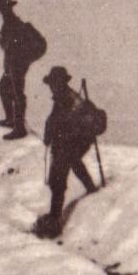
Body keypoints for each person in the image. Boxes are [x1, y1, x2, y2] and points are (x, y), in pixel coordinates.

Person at [35, 66, 99, 238]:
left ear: (60, 82)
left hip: (72, 142)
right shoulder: (66, 97)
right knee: (70, 166)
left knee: (58, 178)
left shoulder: (66, 99)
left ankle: (54, 220)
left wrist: (52, 137)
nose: (51, 86)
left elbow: (61, 122)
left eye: (54, 83)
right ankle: (90, 188)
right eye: (51, 83)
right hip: (72, 143)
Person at [0, 0, 45, 140]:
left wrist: (1, 41)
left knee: (17, 94)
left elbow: (10, 46)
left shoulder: (14, 24)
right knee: (4, 88)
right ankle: (11, 120)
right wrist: (1, 40)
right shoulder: (9, 23)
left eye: (4, 7)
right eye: (1, 8)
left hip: (17, 65)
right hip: (13, 64)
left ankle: (19, 128)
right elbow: (8, 46)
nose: (2, 10)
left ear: (9, 7)